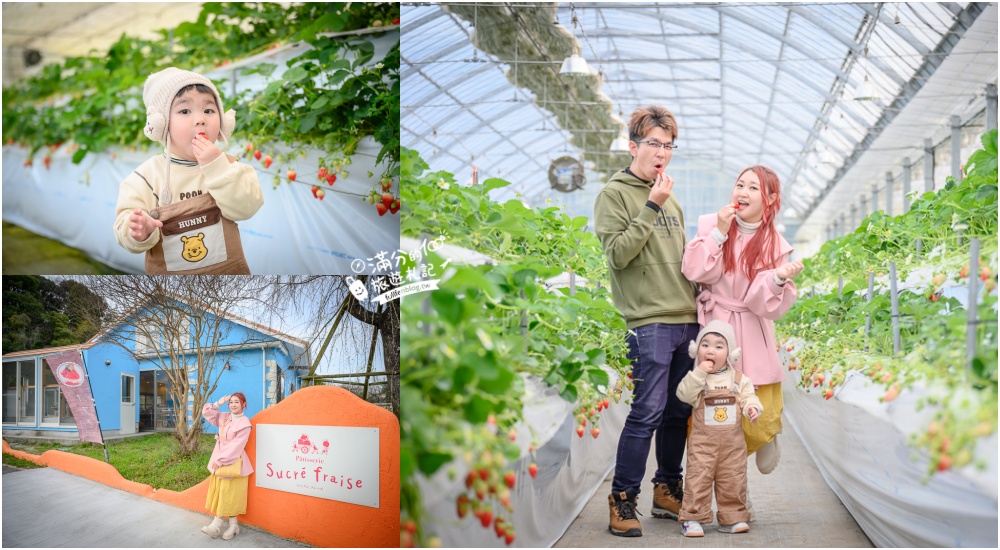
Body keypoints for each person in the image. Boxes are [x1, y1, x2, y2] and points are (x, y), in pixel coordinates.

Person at [594, 105, 700, 537]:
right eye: (654, 143)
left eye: (668, 145)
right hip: (649, 321)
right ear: (633, 146)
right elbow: (618, 255)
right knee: (647, 413)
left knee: (678, 413)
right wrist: (651, 205)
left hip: (686, 319)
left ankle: (666, 489)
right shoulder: (613, 195)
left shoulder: (669, 194)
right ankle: (622, 499)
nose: (662, 152)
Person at [680, 165, 803, 477]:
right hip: (716, 324)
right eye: (740, 185)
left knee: (755, 393)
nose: (742, 193)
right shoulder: (711, 223)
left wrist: (777, 278)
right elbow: (695, 271)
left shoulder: (775, 242)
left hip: (751, 324)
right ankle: (725, 477)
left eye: (753, 188)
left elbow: (764, 305)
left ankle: (763, 437)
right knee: (713, 394)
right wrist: (719, 233)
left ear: (771, 198)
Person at [114, 67, 264, 274]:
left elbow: (246, 208)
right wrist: (137, 231)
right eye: (185, 111)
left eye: (209, 110)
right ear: (160, 125)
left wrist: (217, 167)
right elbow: (124, 225)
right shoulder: (144, 179)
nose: (200, 119)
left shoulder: (229, 166)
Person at [675, 320, 762, 537]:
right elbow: (683, 395)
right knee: (698, 479)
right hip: (703, 445)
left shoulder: (738, 379)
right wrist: (698, 373)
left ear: (730, 353)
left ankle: (733, 518)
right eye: (705, 345)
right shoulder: (697, 379)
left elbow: (750, 397)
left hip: (732, 446)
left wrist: (752, 408)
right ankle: (693, 518)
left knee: (733, 479)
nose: (710, 350)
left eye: (718, 346)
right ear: (697, 350)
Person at [200, 392, 253, 541]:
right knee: (223, 493)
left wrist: (220, 459)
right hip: (220, 459)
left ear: (244, 404)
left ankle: (216, 525)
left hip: (234, 462)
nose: (233, 405)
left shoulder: (245, 424)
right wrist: (219, 403)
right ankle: (233, 525)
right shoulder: (224, 417)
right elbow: (207, 413)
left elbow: (237, 446)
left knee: (229, 494)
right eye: (231, 402)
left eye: (237, 402)